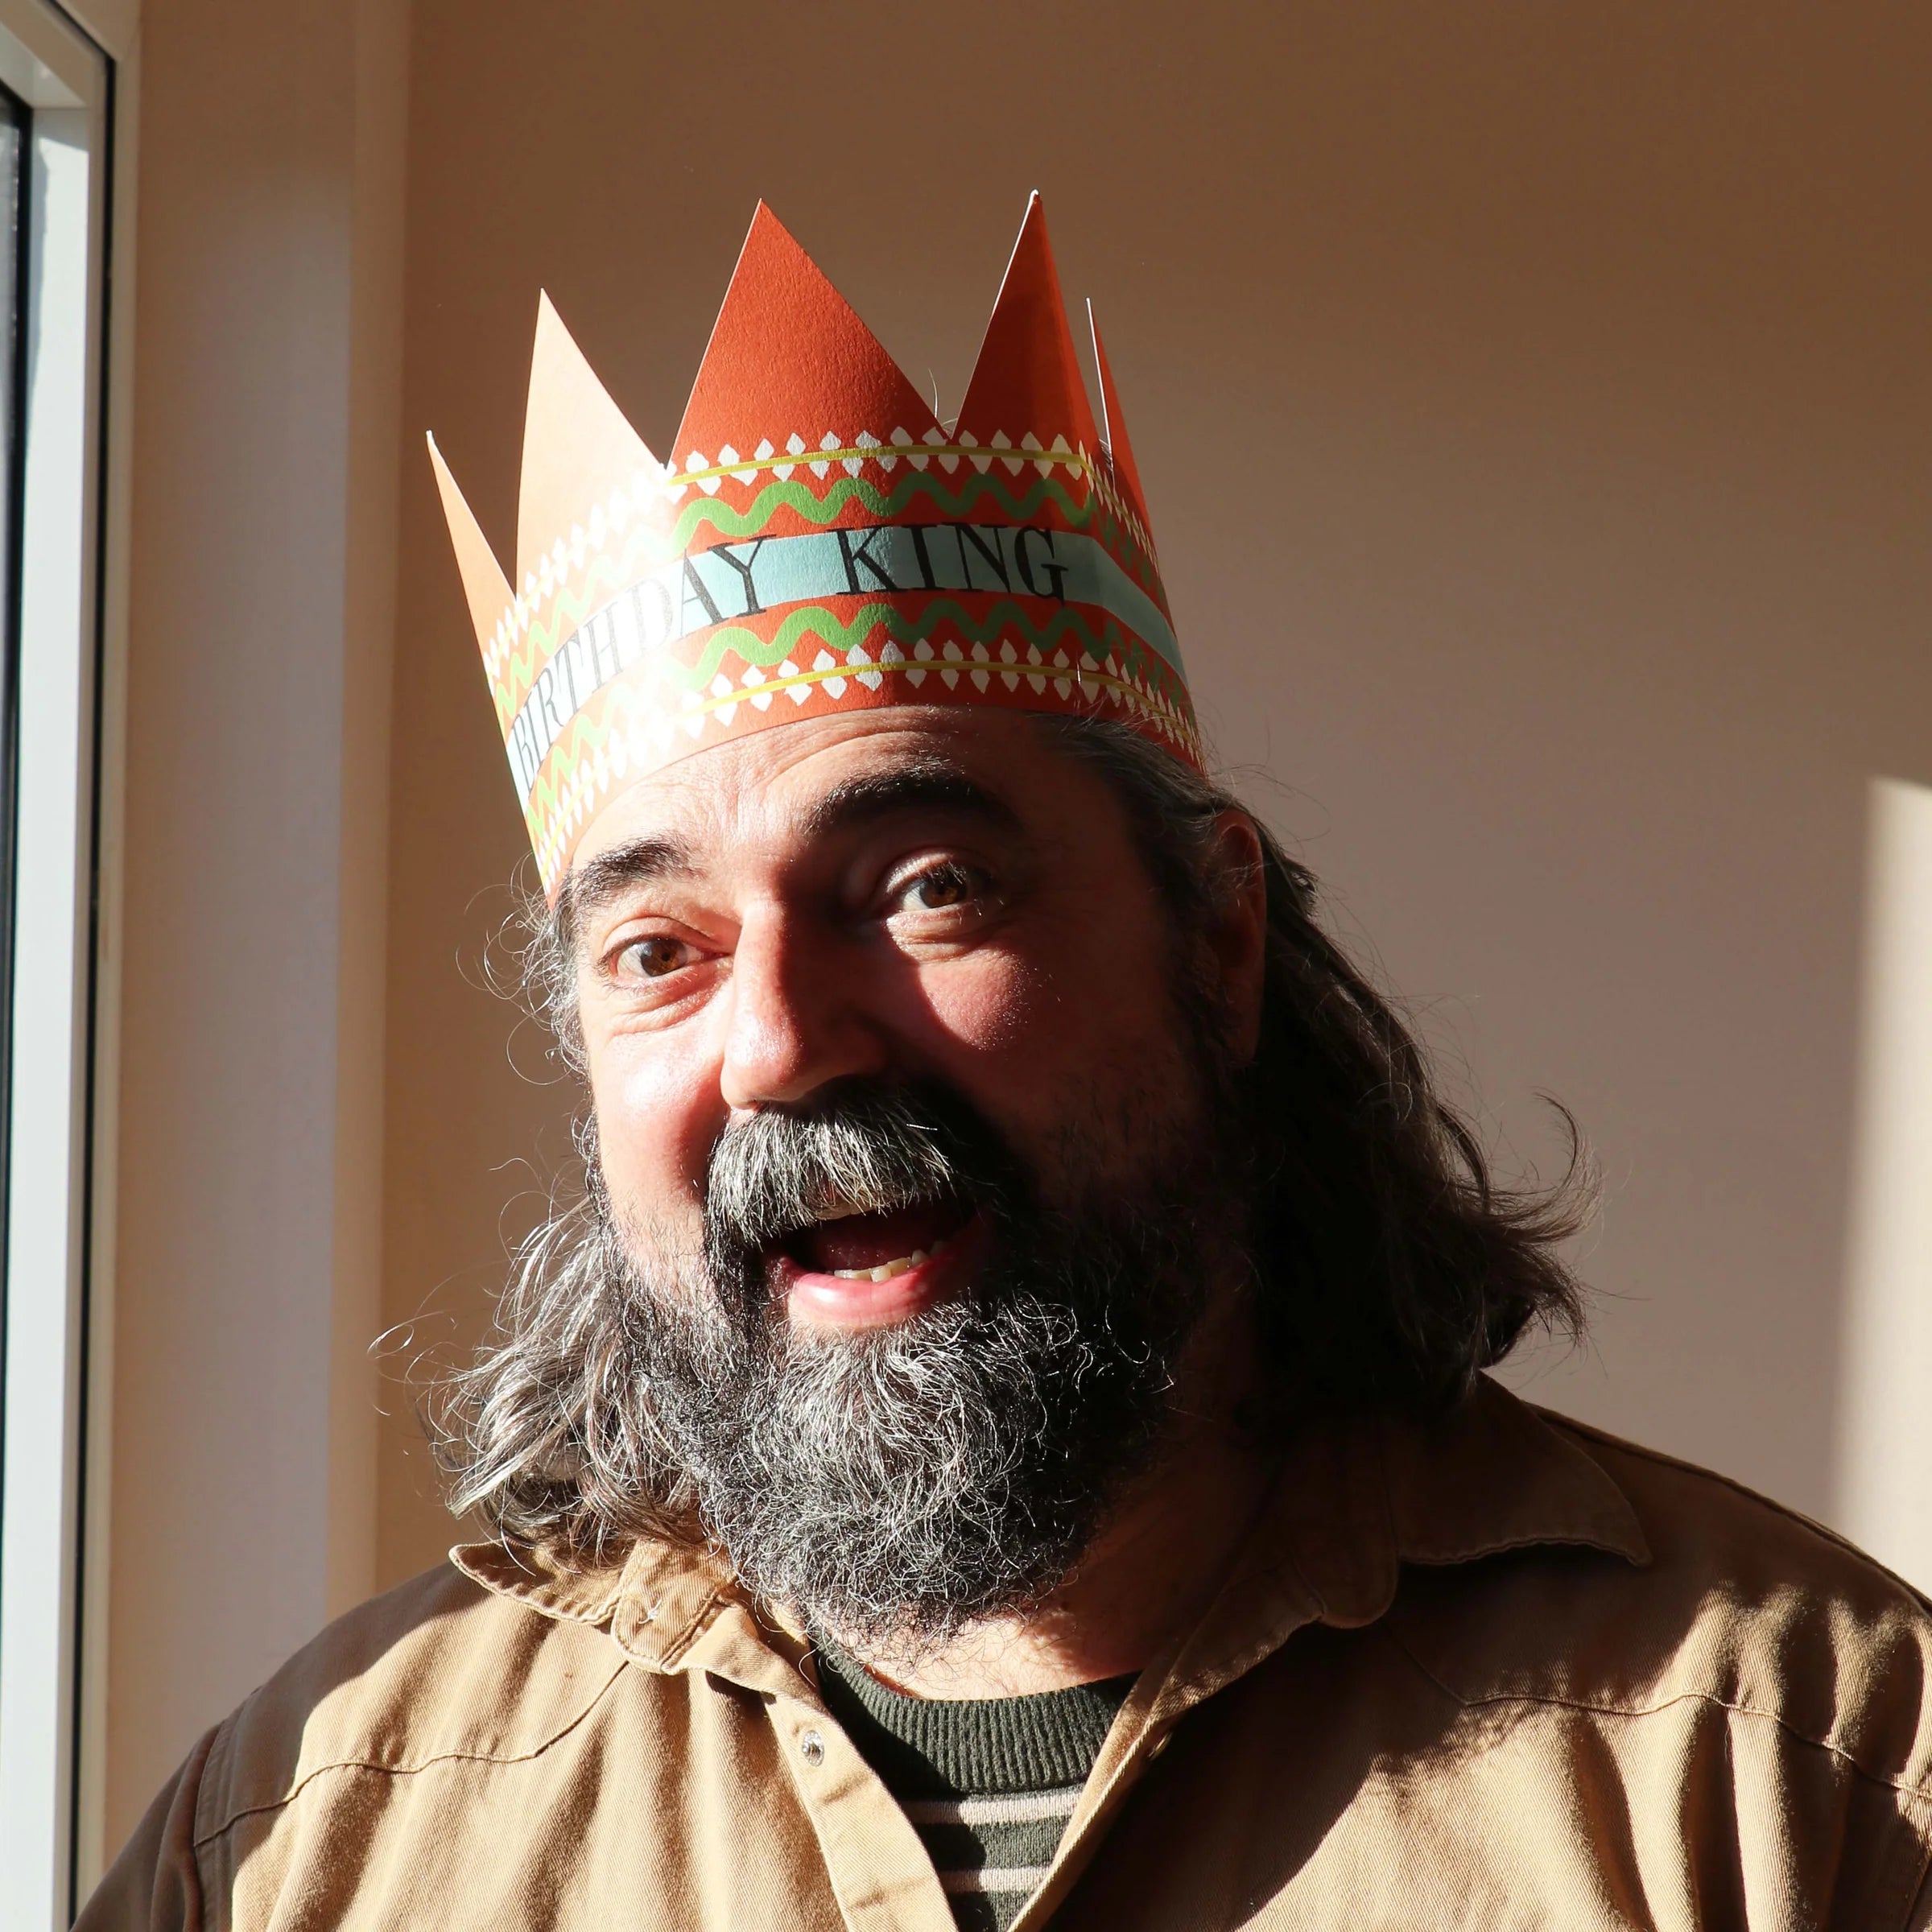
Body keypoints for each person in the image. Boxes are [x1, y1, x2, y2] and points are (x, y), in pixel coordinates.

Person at [81, 197, 1932, 1932]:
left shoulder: (1806, 1771)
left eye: (925, 889)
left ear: (1219, 938)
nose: (780, 1045)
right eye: (659, 952)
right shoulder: (309, 1839)